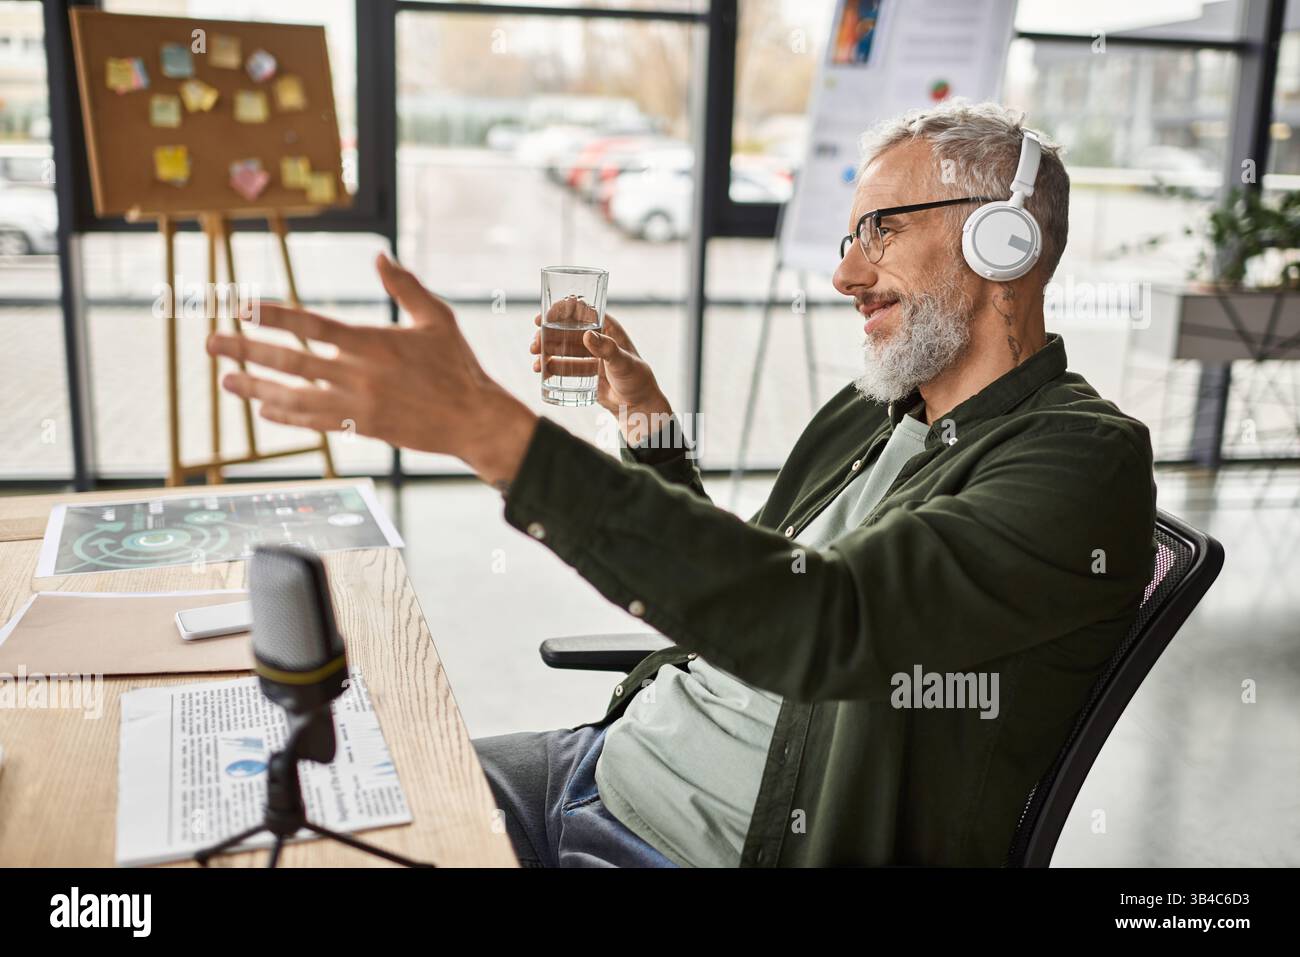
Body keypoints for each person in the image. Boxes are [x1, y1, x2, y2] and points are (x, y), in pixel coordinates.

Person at [207, 101, 1157, 868]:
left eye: (879, 231)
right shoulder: (874, 412)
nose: (844, 274)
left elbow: (826, 622)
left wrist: (483, 427)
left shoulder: (1082, 460)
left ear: (1005, 240)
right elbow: (752, 586)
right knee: (306, 816)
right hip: (603, 761)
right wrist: (649, 427)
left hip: (697, 843)